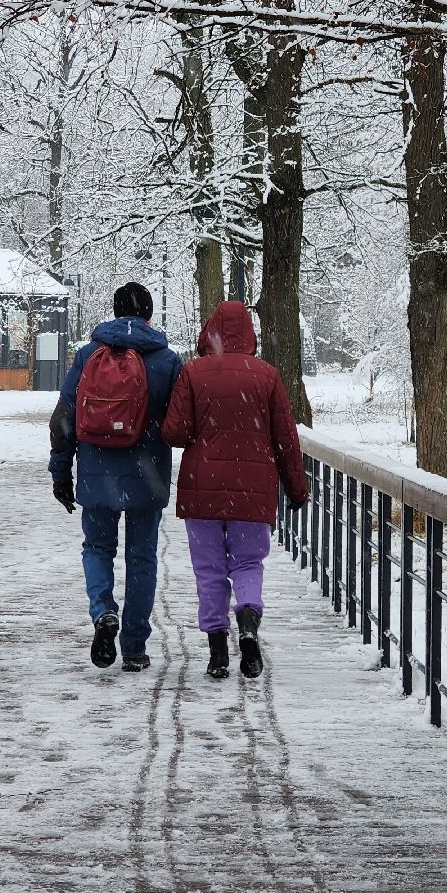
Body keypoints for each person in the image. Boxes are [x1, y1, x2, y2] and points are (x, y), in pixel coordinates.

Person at [161, 300, 309, 680]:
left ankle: (216, 652)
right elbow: (286, 439)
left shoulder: (194, 373)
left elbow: (174, 431)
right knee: (247, 562)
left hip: (202, 489)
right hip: (253, 490)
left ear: (209, 331)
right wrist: (297, 489)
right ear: (250, 334)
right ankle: (247, 619)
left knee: (209, 570)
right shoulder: (267, 375)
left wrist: (201, 428)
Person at [49, 282, 181, 673]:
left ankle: (103, 611)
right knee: (142, 558)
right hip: (147, 476)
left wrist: (61, 473)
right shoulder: (167, 360)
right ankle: (135, 645)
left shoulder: (89, 354)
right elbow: (178, 426)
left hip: (96, 470)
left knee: (97, 548)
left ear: (114, 310)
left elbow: (63, 421)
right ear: (149, 315)